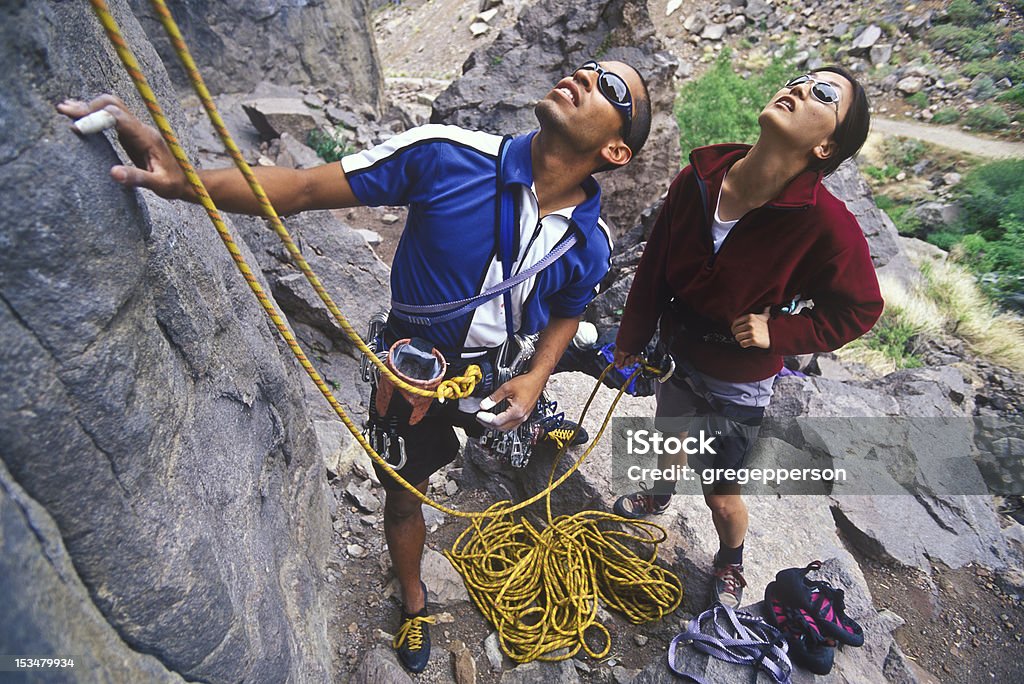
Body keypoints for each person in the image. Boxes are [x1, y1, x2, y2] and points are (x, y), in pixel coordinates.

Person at [59, 58, 652, 672]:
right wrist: (185, 179)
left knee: (545, 396)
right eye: (585, 68)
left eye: (608, 87)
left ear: (615, 150)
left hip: (496, 378)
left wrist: (535, 376)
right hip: (410, 374)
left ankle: (532, 428)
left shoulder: (591, 240)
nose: (583, 78)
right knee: (403, 494)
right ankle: (414, 601)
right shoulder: (447, 156)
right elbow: (305, 189)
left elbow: (566, 309)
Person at [611, 67, 883, 609]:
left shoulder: (826, 225)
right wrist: (632, 337)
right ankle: (662, 492)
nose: (801, 87)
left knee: (721, 493)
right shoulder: (696, 181)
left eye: (824, 94)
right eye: (802, 78)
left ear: (827, 144)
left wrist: (778, 332)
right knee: (670, 436)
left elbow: (860, 308)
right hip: (676, 352)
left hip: (737, 379)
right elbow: (654, 267)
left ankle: (730, 559)